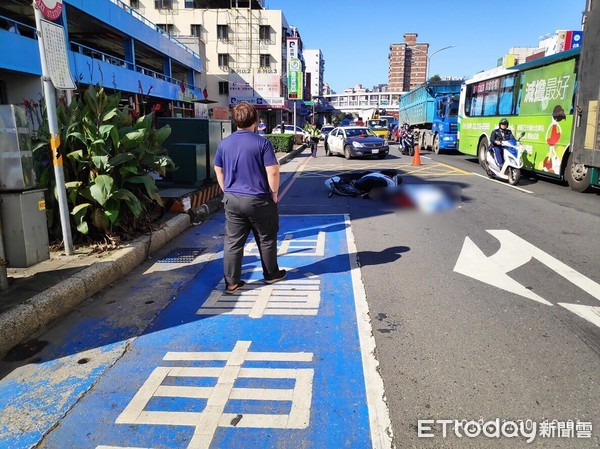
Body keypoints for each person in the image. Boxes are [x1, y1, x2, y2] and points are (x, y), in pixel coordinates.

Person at [214, 102, 286, 293]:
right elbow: (273, 172)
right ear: (255, 120)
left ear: (235, 120)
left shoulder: (225, 143)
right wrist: (274, 193)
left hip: (232, 199)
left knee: (233, 242)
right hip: (259, 199)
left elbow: (218, 169)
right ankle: (271, 274)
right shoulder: (262, 143)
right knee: (266, 237)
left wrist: (226, 189)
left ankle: (231, 283)